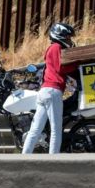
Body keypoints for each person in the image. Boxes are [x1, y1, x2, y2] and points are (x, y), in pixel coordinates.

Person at [22, 22, 79, 154]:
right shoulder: (56, 47)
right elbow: (61, 68)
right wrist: (76, 66)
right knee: (56, 129)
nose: (70, 40)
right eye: (68, 37)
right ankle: (53, 160)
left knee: (35, 130)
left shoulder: (52, 48)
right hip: (53, 91)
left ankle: (24, 157)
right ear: (60, 36)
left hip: (45, 92)